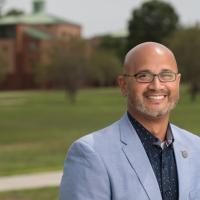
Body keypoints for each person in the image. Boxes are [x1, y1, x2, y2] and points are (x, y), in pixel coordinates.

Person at [60, 42, 200, 200]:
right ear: (123, 85)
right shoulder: (91, 153)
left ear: (177, 82)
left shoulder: (196, 148)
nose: (156, 85)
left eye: (166, 75)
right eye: (144, 76)